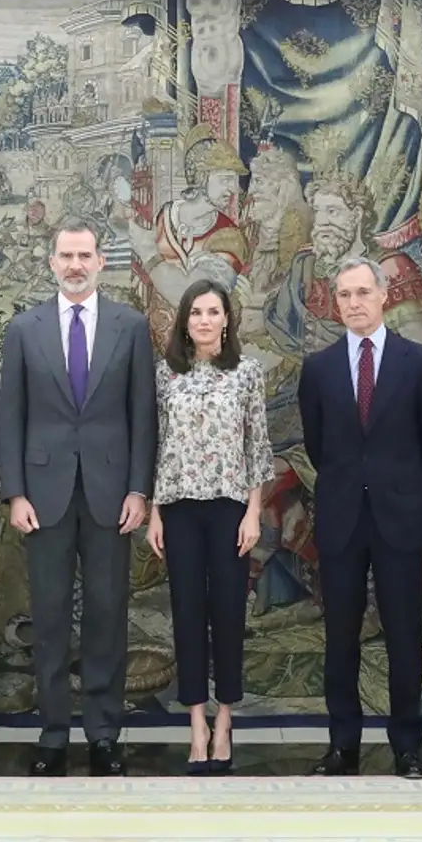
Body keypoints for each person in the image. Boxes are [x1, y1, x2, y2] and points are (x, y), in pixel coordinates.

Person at [0, 216, 156, 777]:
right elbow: (10, 416)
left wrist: (140, 487)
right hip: (42, 496)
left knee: (109, 615)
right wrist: (14, 492)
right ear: (51, 263)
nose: (75, 265)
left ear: (100, 261)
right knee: (49, 618)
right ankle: (53, 733)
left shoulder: (130, 325)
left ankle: (105, 733)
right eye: (65, 256)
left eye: (84, 255)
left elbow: (144, 415)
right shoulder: (24, 328)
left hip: (114, 495)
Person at [298, 257, 422, 781]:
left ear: (384, 295)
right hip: (341, 518)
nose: (355, 302)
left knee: (404, 635)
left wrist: (399, 485)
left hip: (400, 517)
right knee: (340, 638)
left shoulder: (419, 362)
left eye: (364, 291)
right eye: (345, 294)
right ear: (335, 302)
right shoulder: (317, 368)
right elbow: (318, 445)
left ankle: (407, 745)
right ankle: (343, 747)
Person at [146, 279, 272, 774]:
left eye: (212, 311)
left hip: (229, 510)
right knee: (187, 614)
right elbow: (158, 446)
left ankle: (225, 720)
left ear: (226, 319)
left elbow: (258, 447)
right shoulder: (166, 375)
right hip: (178, 509)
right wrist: (155, 511)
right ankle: (195, 722)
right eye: (195, 311)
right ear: (184, 320)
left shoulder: (246, 373)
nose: (203, 319)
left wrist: (254, 512)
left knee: (228, 615)